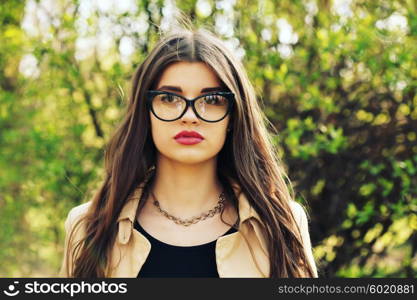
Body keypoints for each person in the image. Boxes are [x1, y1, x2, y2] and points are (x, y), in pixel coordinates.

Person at [59, 23, 318, 278]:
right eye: (169, 98)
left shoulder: (281, 224)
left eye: (212, 100)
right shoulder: (88, 227)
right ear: (145, 112)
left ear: (234, 116)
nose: (191, 116)